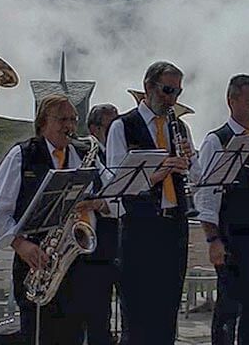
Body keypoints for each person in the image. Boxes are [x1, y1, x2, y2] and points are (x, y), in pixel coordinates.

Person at [0, 94, 108, 344]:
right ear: (42, 122)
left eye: (74, 120)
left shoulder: (85, 156)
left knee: (72, 335)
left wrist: (99, 202)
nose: (71, 126)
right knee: (38, 335)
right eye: (62, 119)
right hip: (37, 260)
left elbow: (111, 197)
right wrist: (20, 244)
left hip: (77, 265)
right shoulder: (22, 155)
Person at [106, 60, 200, 345]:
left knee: (168, 312)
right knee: (138, 314)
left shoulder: (179, 127)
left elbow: (198, 176)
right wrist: (157, 174)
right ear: (148, 86)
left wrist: (190, 157)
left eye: (177, 93)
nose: (172, 99)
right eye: (167, 90)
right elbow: (115, 184)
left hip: (175, 225)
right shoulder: (123, 126)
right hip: (140, 228)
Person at [196, 75, 249, 345]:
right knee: (229, 308)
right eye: (247, 102)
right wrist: (213, 239)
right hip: (234, 235)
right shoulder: (217, 140)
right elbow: (206, 194)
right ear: (231, 101)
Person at [80, 102, 121, 345]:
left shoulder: (119, 152)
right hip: (97, 242)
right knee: (97, 311)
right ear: (95, 129)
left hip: (118, 237)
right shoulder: (89, 152)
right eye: (110, 126)